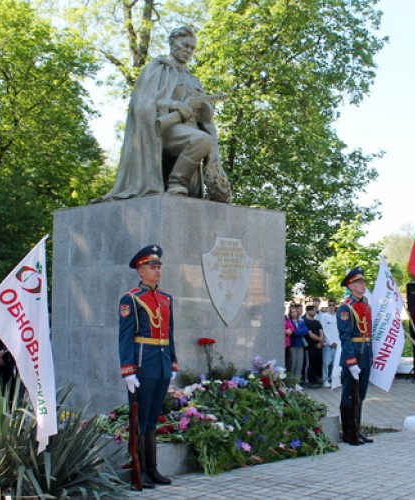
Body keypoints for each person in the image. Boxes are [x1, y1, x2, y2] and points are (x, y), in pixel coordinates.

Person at [99, 26, 230, 203]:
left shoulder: (193, 79)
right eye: (185, 45)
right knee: (201, 140)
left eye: (192, 48)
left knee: (203, 139)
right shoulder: (156, 69)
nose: (188, 51)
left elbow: (204, 118)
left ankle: (181, 186)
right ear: (172, 42)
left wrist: (204, 110)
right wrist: (175, 105)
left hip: (190, 131)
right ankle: (177, 183)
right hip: (163, 130)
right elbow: (142, 104)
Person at [119, 244, 178, 488]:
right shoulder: (131, 299)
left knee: (153, 418)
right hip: (143, 365)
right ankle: (138, 470)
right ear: (140, 271)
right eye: (152, 267)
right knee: (140, 420)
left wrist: (173, 361)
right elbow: (124, 336)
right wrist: (128, 370)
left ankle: (152, 469)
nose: (157, 270)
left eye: (158, 266)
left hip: (162, 364)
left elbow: (170, 332)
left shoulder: (166, 298)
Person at [338, 267, 373, 446]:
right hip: (353, 356)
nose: (363, 284)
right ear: (351, 286)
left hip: (365, 353)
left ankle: (357, 429)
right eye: (359, 282)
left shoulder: (364, 304)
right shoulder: (346, 308)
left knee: (360, 395)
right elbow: (345, 338)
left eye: (363, 281)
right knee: (348, 396)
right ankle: (348, 432)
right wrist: (351, 362)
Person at [303, 305, 324, 387]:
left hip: (318, 346)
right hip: (310, 346)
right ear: (307, 311)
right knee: (310, 364)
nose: (314, 311)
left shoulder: (317, 322)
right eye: (312, 310)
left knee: (317, 363)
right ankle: (309, 380)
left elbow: (321, 332)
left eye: (315, 310)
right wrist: (319, 340)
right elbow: (310, 334)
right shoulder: (305, 322)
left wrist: (320, 341)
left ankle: (315, 379)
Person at [286, 304, 308, 381]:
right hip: (292, 344)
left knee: (299, 363)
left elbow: (306, 330)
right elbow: (292, 332)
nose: (294, 313)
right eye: (292, 312)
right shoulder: (289, 322)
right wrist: (298, 332)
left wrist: (297, 332)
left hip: (300, 344)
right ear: (290, 313)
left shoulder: (301, 321)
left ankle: (297, 380)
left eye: (295, 312)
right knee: (292, 363)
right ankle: (291, 380)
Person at [320, 300, 339, 386]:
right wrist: (330, 341)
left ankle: (333, 379)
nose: (331, 306)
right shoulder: (324, 316)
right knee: (326, 362)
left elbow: (340, 331)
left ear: (335, 306)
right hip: (328, 344)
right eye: (329, 305)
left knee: (335, 363)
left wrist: (337, 342)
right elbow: (324, 330)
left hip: (337, 344)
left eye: (333, 305)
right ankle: (325, 380)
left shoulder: (338, 317)